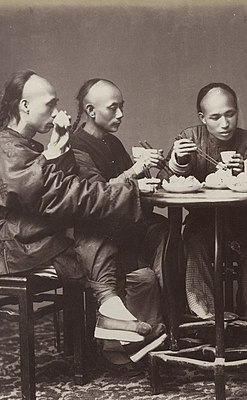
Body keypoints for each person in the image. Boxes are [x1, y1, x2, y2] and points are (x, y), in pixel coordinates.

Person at [0, 70, 160, 346]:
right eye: (50, 104)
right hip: (0, 248)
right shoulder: (6, 149)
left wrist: (58, 150)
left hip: (19, 237)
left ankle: (111, 317)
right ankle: (110, 315)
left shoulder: (20, 145)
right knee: (85, 225)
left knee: (89, 225)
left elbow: (55, 189)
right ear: (24, 106)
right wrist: (130, 191)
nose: (57, 112)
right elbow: (59, 197)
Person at [66, 78, 168, 361]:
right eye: (113, 108)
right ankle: (130, 336)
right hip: (94, 236)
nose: (121, 114)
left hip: (122, 231)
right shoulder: (75, 148)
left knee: (164, 230)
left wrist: (148, 172)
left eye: (122, 107)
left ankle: (167, 316)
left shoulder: (112, 142)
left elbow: (130, 192)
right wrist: (137, 170)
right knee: (142, 272)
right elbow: (98, 195)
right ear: (90, 110)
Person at [159, 83, 247, 319]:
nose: (225, 123)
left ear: (237, 110)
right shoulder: (189, 138)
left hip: (245, 224)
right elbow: (163, 183)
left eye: (230, 114)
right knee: (193, 243)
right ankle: (206, 314)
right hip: (202, 223)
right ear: (202, 117)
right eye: (215, 117)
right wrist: (179, 160)